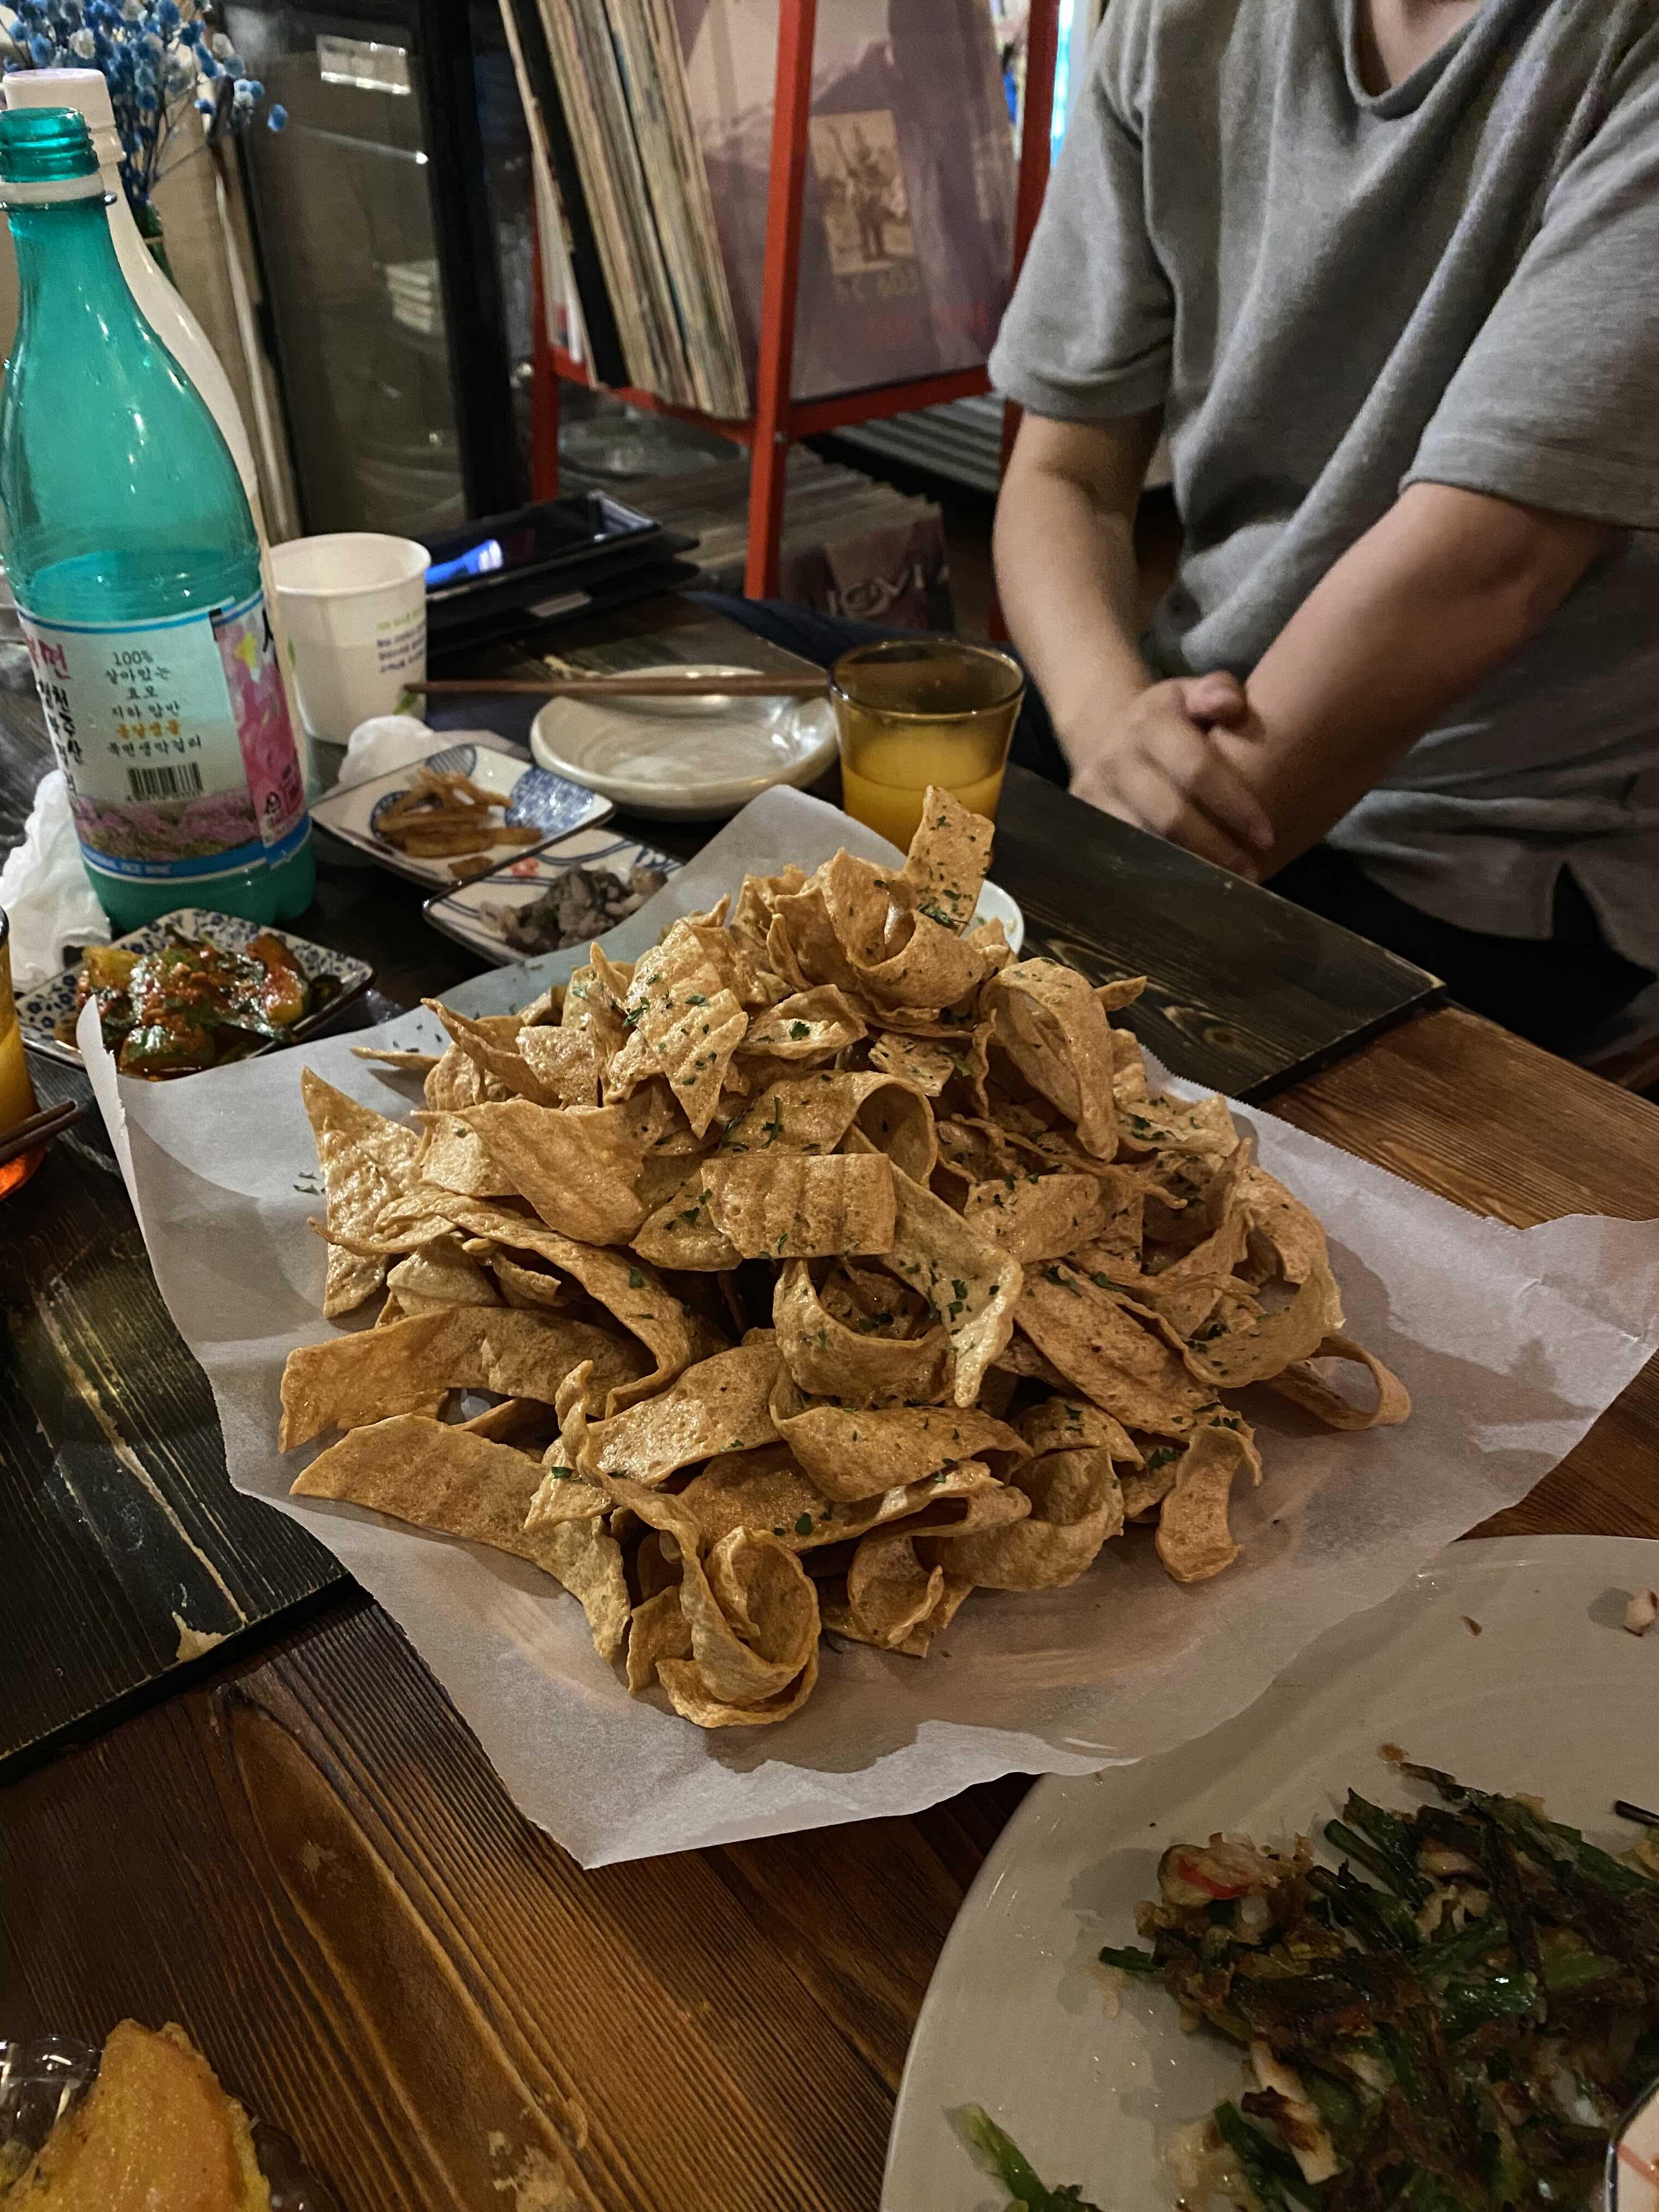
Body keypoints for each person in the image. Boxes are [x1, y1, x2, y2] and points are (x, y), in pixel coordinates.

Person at [720, 0, 1659, 1058]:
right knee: (703, 673)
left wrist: (1141, 842)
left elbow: (1487, 568)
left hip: (1474, 843)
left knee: (966, 1075)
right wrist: (1110, 729)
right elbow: (1065, 472)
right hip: (1160, 717)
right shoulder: (1175, 21)